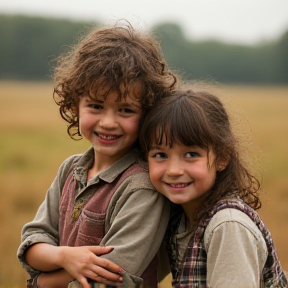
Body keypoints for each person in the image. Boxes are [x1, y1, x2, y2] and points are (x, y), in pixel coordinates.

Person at [17, 21, 177, 288]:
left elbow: (110, 277)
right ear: (75, 105)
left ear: (148, 113)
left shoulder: (142, 187)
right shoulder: (71, 170)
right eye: (96, 106)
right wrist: (66, 256)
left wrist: (41, 283)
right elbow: (32, 244)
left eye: (125, 110)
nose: (108, 122)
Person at [139, 88, 288, 287]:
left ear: (222, 158)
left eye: (191, 154)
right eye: (160, 155)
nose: (174, 170)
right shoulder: (179, 220)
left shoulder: (227, 225)